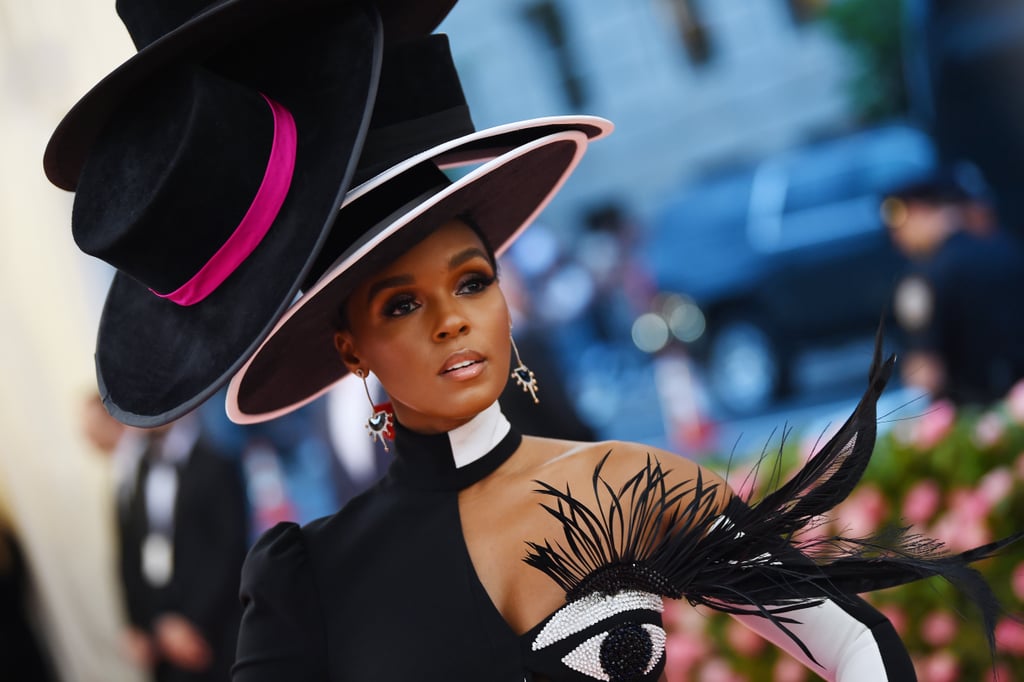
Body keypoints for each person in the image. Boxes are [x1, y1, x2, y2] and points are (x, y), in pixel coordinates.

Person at [48, 3, 1017, 681]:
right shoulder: (309, 576)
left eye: (473, 280)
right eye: (397, 304)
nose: (451, 317)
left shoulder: (625, 484)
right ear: (348, 350)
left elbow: (848, 638)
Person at [883, 163, 1024, 404]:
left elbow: (925, 372)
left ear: (918, 211)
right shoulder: (1007, 250)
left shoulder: (922, 277)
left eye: (899, 227)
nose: (897, 239)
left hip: (976, 422)